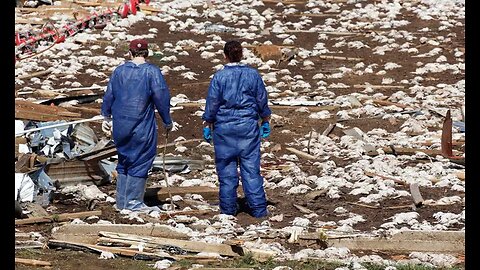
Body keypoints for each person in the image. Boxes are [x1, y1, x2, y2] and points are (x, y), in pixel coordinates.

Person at [101, 38, 173, 212]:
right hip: (141, 124)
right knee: (141, 159)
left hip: (120, 125)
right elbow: (161, 97)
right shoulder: (152, 72)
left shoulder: (119, 71)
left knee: (124, 159)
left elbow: (109, 94)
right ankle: (134, 203)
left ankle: (122, 203)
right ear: (147, 54)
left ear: (130, 53)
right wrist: (167, 120)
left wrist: (106, 116)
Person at [202, 40, 272, 218]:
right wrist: (265, 119)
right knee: (251, 170)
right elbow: (261, 99)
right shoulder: (252, 75)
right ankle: (258, 210)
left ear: (224, 55)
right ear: (242, 54)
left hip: (224, 129)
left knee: (226, 172)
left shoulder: (219, 77)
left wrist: (207, 123)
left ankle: (227, 210)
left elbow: (212, 103)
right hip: (248, 127)